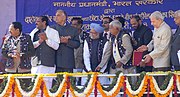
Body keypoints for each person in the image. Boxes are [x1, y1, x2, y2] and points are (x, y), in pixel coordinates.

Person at [137, 11, 172, 86]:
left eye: (153, 21)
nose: (152, 24)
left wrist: (150, 55)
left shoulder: (166, 29)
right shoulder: (156, 28)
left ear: (159, 20)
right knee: (155, 85)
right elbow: (153, 41)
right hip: (155, 62)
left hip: (163, 63)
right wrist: (147, 47)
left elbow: (163, 47)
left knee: (162, 86)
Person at [30, 16, 60, 89]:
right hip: (35, 64)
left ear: (44, 22)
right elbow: (30, 47)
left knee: (47, 87)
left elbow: (56, 46)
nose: (36, 23)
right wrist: (39, 42)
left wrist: (46, 39)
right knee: (35, 87)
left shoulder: (53, 32)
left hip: (48, 64)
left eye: (38, 21)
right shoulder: (33, 32)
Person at [71, 17, 88, 85]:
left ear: (80, 25)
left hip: (83, 65)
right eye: (72, 24)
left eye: (75, 24)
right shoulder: (69, 36)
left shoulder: (86, 36)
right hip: (72, 65)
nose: (73, 26)